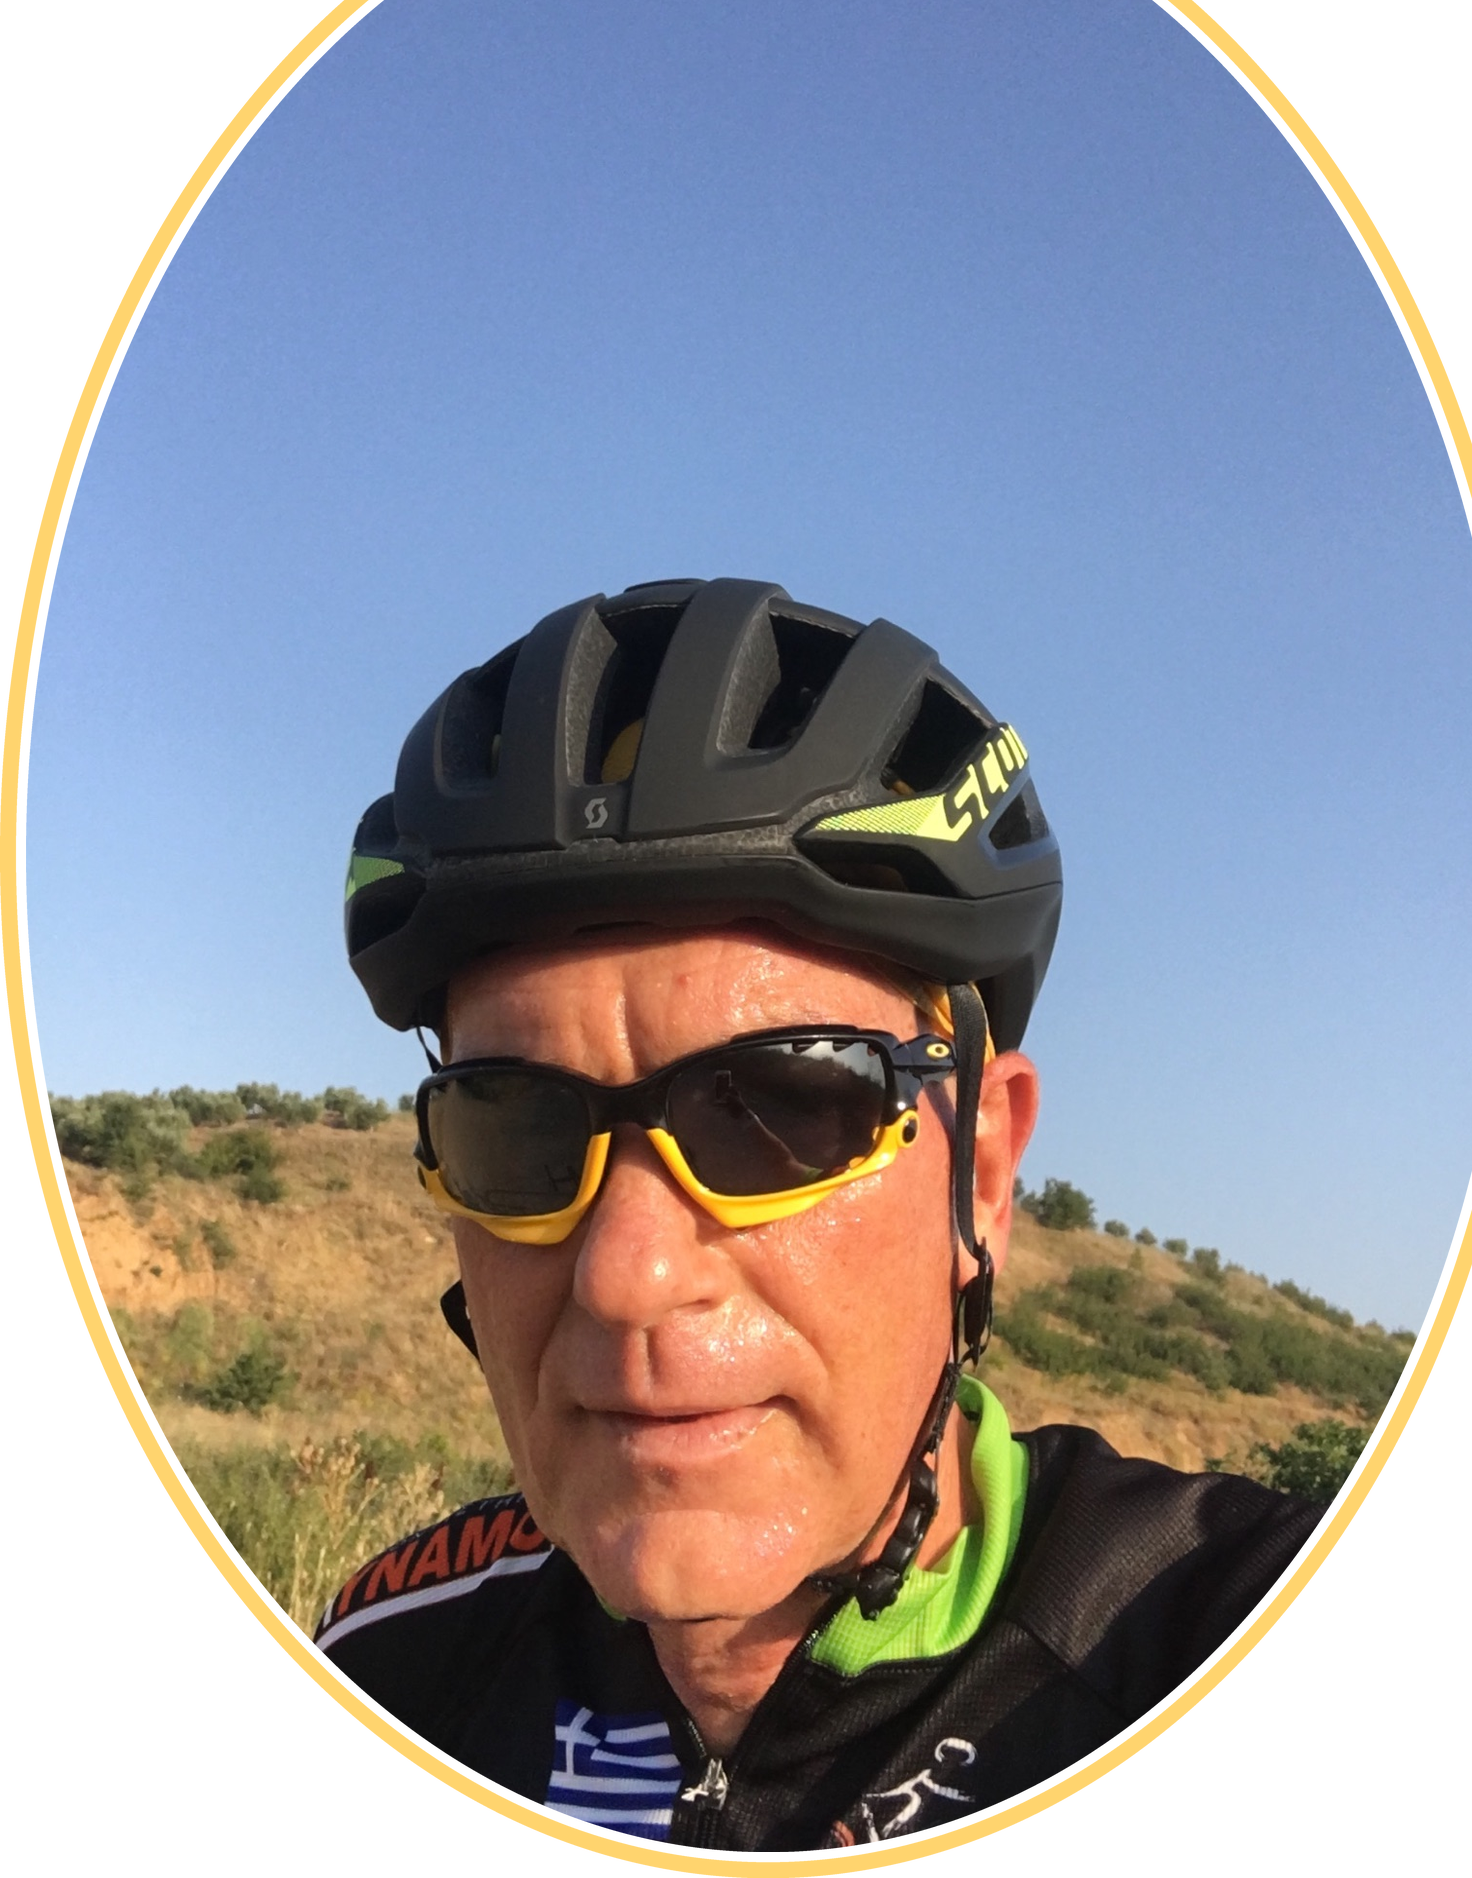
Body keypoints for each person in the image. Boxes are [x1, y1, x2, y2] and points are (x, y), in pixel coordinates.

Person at [318, 577, 1319, 1849]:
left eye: (781, 1107)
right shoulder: (384, 1666)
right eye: (514, 1127)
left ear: (984, 1174)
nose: (627, 1274)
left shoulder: (1241, 1635)